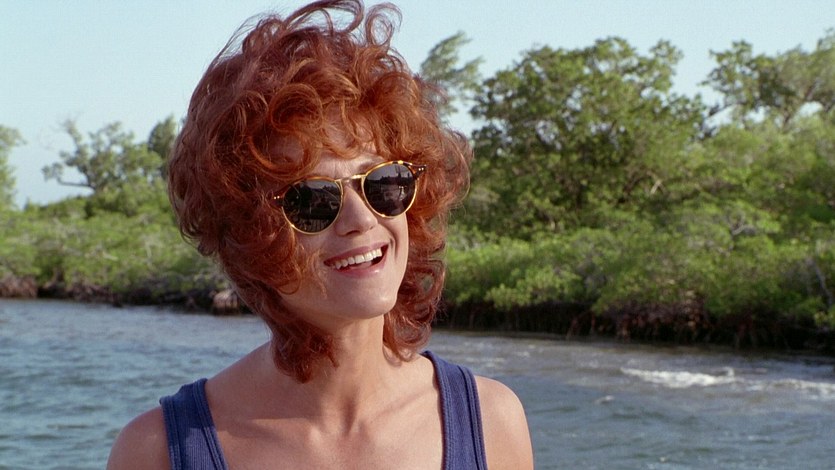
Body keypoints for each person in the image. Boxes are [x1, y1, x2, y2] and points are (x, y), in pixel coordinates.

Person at [107, 1, 533, 468]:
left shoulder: (492, 423)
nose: (361, 218)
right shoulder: (156, 451)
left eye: (384, 184)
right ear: (248, 233)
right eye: (313, 200)